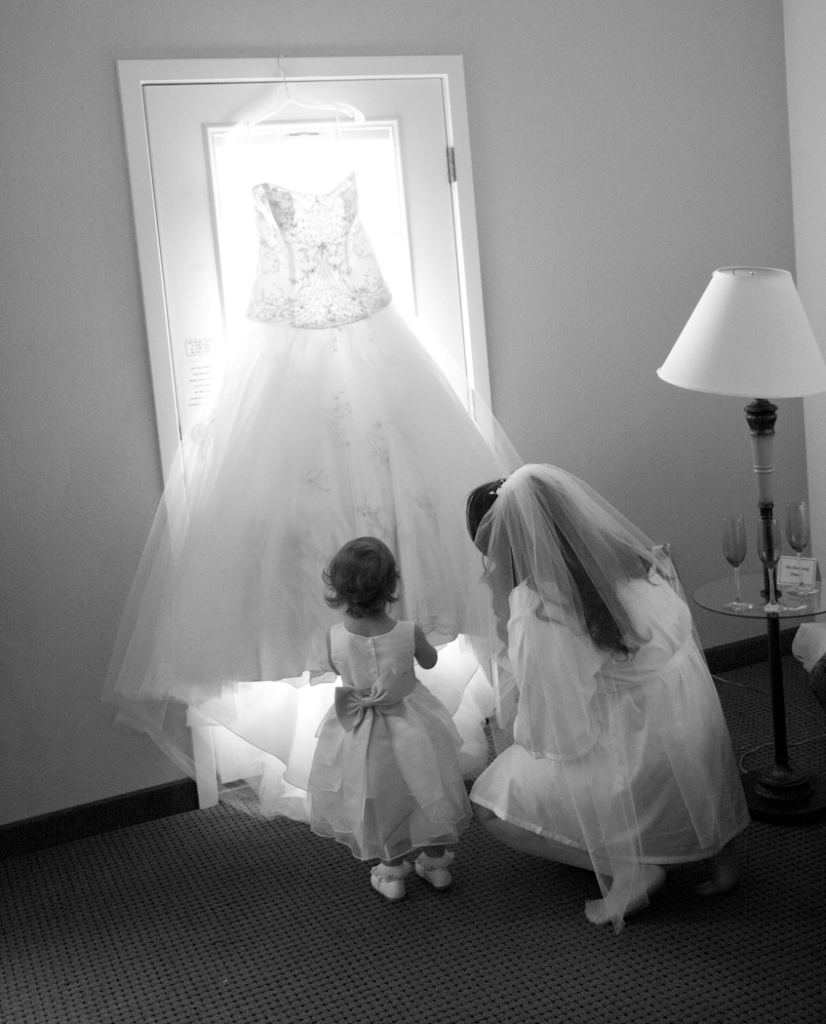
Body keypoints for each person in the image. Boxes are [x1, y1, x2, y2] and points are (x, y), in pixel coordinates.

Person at [104, 171, 519, 816]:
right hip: (293, 387)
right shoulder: (273, 211)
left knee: (390, 509)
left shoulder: (338, 205)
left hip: (372, 375)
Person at [464, 464, 750, 931]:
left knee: (489, 801)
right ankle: (722, 860)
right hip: (696, 733)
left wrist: (517, 729)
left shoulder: (541, 607)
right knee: (644, 701)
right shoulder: (636, 562)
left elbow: (560, 731)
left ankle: (630, 868)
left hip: (639, 753)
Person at [307, 537, 472, 901]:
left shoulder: (335, 637)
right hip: (412, 722)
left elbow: (337, 667)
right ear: (391, 584)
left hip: (361, 731)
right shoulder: (407, 630)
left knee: (379, 796)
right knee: (428, 787)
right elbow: (429, 661)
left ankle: (392, 873)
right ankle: (437, 865)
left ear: (338, 588)